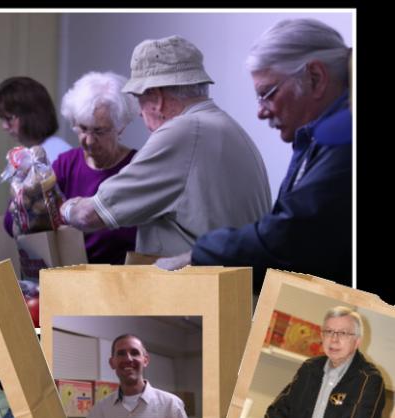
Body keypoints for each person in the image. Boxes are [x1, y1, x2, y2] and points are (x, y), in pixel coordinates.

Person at [162, 20, 353, 288]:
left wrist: (200, 254)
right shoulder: (320, 135)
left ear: (315, 78)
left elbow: (292, 238)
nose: (261, 112)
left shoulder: (346, 138)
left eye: (267, 94)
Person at [60, 36, 272, 259]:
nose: (140, 112)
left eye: (139, 100)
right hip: (240, 288)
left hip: (199, 291)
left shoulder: (181, 133)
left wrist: (66, 209)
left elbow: (91, 216)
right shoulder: (229, 128)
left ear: (157, 97)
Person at [49, 71, 139, 264]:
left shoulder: (137, 168)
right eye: (82, 128)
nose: (89, 141)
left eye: (99, 131)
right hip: (69, 278)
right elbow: (15, 225)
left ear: (120, 126)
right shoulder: (66, 164)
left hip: (122, 280)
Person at [0, 76, 71, 163]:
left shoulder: (61, 156)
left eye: (9, 118)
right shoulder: (25, 155)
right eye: (2, 118)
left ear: (33, 114)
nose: (4, 126)